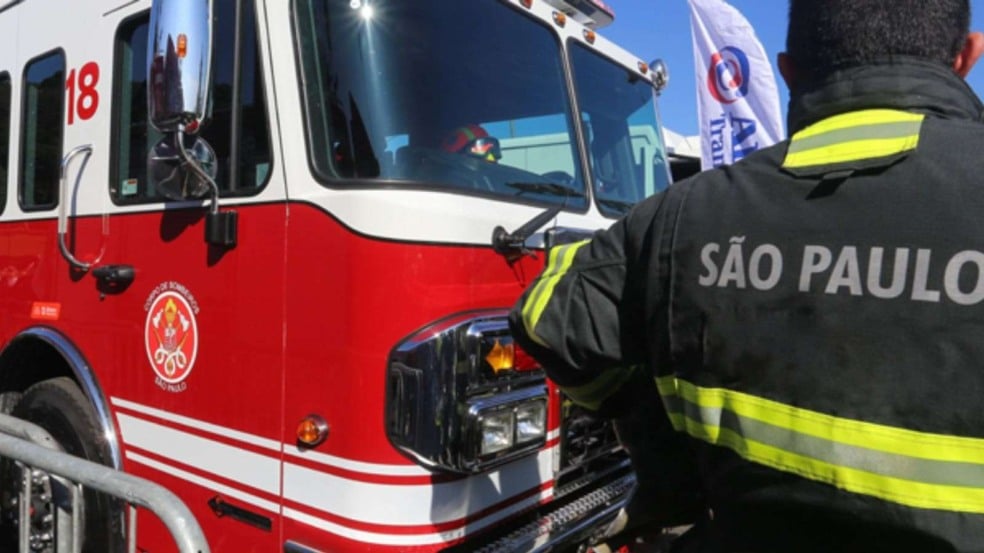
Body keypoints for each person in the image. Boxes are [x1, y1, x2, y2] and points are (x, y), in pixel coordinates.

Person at [508, 1, 984, 551]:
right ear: (967, 56)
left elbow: (544, 316)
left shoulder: (681, 214)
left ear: (787, 71)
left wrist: (659, 440)